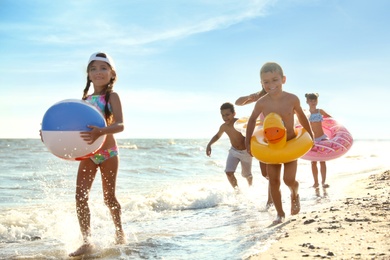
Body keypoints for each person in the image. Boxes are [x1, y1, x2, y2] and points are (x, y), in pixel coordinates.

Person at [69, 52, 126, 257]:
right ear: (88, 74)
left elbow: (120, 125)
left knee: (109, 198)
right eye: (93, 68)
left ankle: (120, 234)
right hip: (88, 154)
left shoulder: (112, 96)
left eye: (103, 68)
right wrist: (50, 134)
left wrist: (102, 131)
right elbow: (73, 128)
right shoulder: (84, 99)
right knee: (80, 196)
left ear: (112, 73)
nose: (98, 72)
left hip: (108, 152)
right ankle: (87, 241)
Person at [245, 62, 314, 224]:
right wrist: (248, 143)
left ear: (283, 79)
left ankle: (294, 194)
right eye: (266, 82)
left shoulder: (292, 99)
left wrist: (310, 136)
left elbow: (302, 118)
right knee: (273, 181)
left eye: (275, 80)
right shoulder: (262, 102)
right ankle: (280, 213)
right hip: (272, 146)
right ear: (261, 83)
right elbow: (251, 120)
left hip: (290, 145)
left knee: (289, 180)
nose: (271, 85)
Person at [235, 89, 273, 209]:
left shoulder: (277, 95)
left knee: (271, 171)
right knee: (265, 173)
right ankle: (274, 188)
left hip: (274, 133)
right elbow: (238, 102)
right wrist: (249, 97)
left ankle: (271, 199)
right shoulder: (259, 96)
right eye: (265, 82)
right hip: (262, 135)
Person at [206, 102, 253, 189]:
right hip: (233, 151)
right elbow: (217, 136)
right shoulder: (224, 127)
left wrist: (252, 148)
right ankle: (237, 192)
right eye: (223, 115)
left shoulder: (240, 123)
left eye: (227, 115)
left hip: (246, 152)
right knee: (228, 172)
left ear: (233, 114)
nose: (225, 117)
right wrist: (209, 145)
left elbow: (250, 134)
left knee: (247, 175)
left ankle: (251, 189)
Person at [305, 93, 331, 188]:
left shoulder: (320, 111)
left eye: (314, 100)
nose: (313, 102)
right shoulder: (306, 113)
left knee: (322, 161)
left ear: (317, 101)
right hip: (312, 139)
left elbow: (331, 119)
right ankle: (315, 182)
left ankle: (323, 182)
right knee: (313, 162)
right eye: (311, 100)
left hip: (322, 138)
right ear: (307, 101)